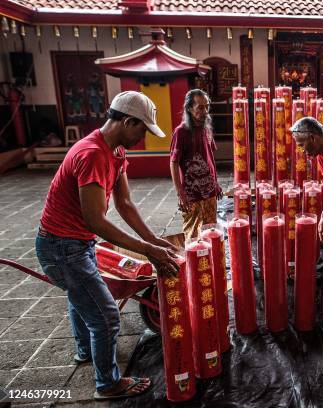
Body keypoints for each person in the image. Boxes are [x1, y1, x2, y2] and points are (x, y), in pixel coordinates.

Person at [35, 91, 179, 400]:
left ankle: (85, 350)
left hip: (76, 243)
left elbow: (124, 203)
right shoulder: (92, 154)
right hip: (61, 247)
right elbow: (95, 221)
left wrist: (154, 239)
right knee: (106, 316)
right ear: (128, 121)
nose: (143, 137)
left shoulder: (115, 151)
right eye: (142, 129)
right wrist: (147, 251)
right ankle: (107, 384)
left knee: (80, 296)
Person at [170, 89, 222, 239]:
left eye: (207, 106)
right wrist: (180, 193)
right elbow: (173, 163)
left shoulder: (207, 128)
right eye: (200, 107)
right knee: (193, 236)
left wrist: (216, 184)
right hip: (192, 194)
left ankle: (210, 262)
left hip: (210, 191)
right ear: (189, 108)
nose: (205, 111)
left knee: (211, 231)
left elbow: (210, 159)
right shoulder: (181, 132)